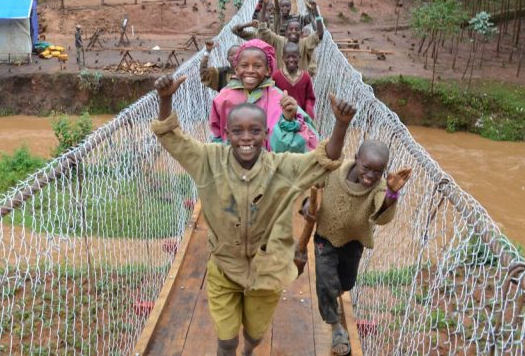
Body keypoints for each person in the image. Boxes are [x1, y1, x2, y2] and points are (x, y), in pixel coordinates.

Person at [152, 73, 357, 356]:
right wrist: (165, 100)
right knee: (225, 342)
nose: (245, 138)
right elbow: (172, 139)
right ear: (226, 133)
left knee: (255, 334)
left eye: (254, 131)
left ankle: (249, 349)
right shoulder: (209, 161)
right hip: (224, 268)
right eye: (237, 131)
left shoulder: (282, 168)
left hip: (267, 272)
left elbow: (322, 162)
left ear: (265, 134)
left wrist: (341, 126)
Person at [302, 141, 412, 355]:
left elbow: (383, 218)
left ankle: (335, 292)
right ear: (356, 158)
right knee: (325, 283)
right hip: (325, 238)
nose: (370, 176)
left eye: (378, 172)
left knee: (346, 282)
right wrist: (308, 202)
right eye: (366, 168)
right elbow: (315, 181)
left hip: (353, 242)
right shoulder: (336, 170)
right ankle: (336, 328)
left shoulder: (379, 187)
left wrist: (391, 195)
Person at [210, 39, 316, 152]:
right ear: (236, 69)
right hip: (232, 165)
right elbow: (216, 136)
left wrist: (288, 120)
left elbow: (307, 139)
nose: (250, 70)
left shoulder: (280, 100)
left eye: (257, 66)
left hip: (270, 166)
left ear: (268, 70)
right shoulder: (222, 99)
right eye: (244, 65)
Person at [257, 0, 324, 75]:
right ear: (285, 32)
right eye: (290, 29)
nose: (294, 31)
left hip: (300, 83)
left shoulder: (305, 42)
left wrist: (316, 11)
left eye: (297, 29)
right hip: (280, 84)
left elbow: (319, 34)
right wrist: (264, 6)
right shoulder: (279, 41)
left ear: (301, 32)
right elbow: (262, 29)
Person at [272, 42, 315, 119]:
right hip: (282, 117)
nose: (291, 60)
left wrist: (309, 110)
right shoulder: (276, 76)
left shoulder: (305, 77)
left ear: (299, 57)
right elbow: (272, 96)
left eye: (294, 57)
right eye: (288, 57)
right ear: (283, 58)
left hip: (301, 118)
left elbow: (310, 97)